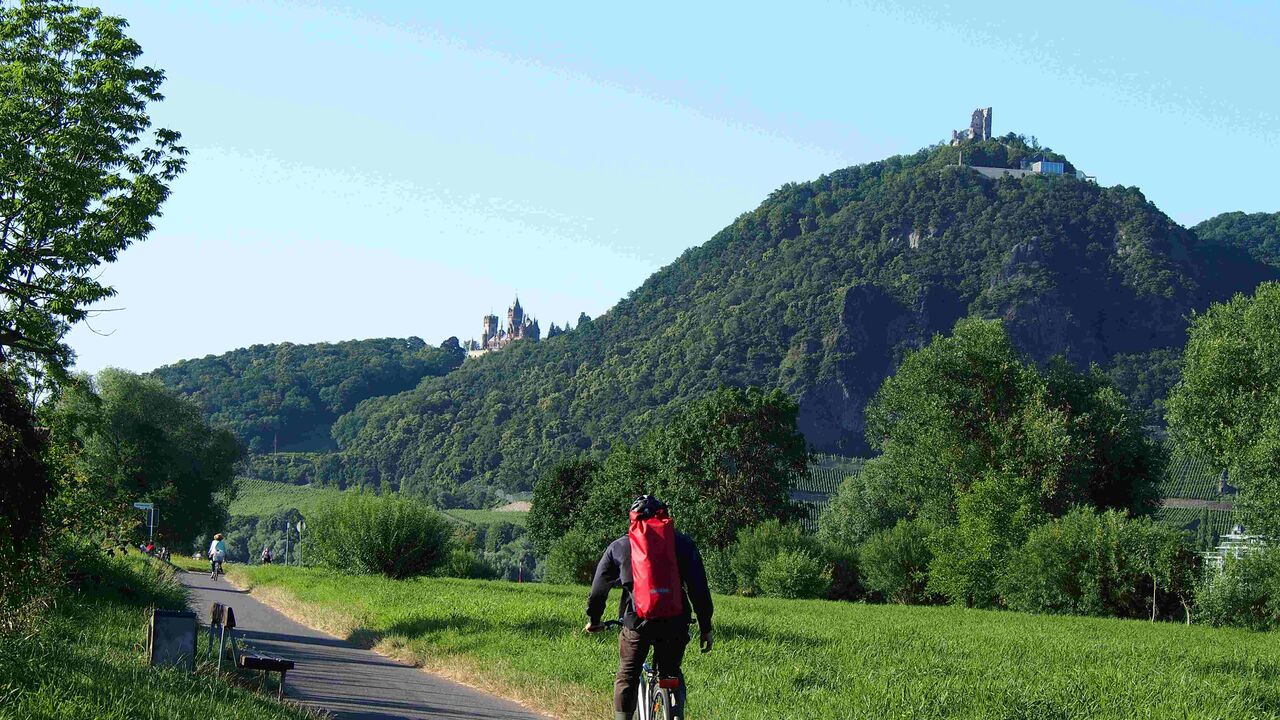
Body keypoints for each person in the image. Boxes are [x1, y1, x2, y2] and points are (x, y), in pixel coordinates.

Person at [584, 495, 713, 720]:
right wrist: (705, 627)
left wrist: (595, 619)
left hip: (637, 623)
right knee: (671, 673)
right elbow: (699, 589)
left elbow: (598, 591)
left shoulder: (620, 546)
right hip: (675, 622)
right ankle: (673, 710)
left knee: (627, 676)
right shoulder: (683, 543)